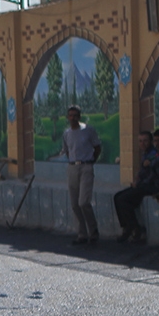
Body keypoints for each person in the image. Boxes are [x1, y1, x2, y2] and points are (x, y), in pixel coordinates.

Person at [58, 105, 101, 245]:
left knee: (84, 202)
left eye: (75, 115)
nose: (73, 118)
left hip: (86, 166)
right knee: (75, 204)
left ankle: (93, 231)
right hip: (72, 167)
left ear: (79, 116)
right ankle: (82, 234)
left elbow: (97, 147)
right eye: (70, 115)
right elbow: (67, 150)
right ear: (67, 117)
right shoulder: (67, 133)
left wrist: (91, 161)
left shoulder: (88, 130)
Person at [113, 130, 158, 243]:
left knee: (123, 199)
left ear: (151, 141)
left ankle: (135, 228)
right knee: (117, 197)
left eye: (145, 141)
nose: (142, 144)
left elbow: (153, 175)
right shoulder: (145, 154)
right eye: (140, 141)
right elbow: (142, 173)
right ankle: (127, 227)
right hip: (142, 185)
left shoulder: (154, 154)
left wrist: (139, 184)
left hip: (151, 186)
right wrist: (136, 181)